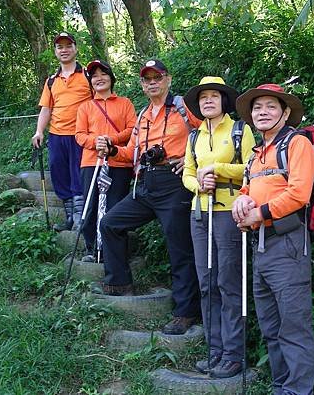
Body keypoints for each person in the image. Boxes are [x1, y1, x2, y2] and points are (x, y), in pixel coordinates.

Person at [97, 59, 201, 335]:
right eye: (147, 79)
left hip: (175, 183)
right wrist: (111, 150)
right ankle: (119, 282)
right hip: (145, 184)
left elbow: (209, 133)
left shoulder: (183, 108)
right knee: (110, 223)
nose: (152, 82)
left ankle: (185, 312)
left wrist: (192, 160)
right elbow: (131, 150)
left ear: (168, 79)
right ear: (142, 85)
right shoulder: (142, 115)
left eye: (157, 77)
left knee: (179, 248)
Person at [232, 84, 314, 395]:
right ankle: (282, 385)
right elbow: (247, 190)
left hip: (289, 245)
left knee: (294, 327)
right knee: (271, 327)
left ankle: (297, 391)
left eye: (271, 107)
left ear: (284, 113)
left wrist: (260, 214)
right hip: (260, 246)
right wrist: (241, 204)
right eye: (258, 108)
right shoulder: (256, 155)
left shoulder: (297, 144)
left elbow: (299, 193)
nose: (263, 112)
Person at [182, 76, 255, 378]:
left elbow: (253, 168)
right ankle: (214, 352)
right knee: (206, 282)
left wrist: (217, 170)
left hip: (229, 215)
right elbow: (187, 173)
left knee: (229, 282)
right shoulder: (193, 136)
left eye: (214, 96)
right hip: (199, 213)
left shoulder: (241, 130)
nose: (208, 101)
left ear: (224, 100)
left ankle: (233, 354)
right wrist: (199, 183)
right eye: (203, 97)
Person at [75, 60, 136, 262]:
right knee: (91, 205)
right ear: (90, 82)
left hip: (119, 161)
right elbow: (80, 136)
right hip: (92, 162)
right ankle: (91, 248)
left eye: (103, 74)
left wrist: (111, 140)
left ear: (111, 78)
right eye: (94, 76)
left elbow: (132, 129)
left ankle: (115, 250)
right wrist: (97, 142)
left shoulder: (124, 103)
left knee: (115, 206)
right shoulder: (85, 107)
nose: (99, 78)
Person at [32, 32, 91, 232]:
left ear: (75, 48)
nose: (64, 50)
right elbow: (46, 108)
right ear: (55, 51)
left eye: (68, 46)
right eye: (60, 47)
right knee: (59, 174)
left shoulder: (88, 76)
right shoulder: (52, 80)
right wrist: (39, 131)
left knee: (79, 175)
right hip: (57, 135)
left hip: (81, 134)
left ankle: (80, 220)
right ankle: (69, 218)